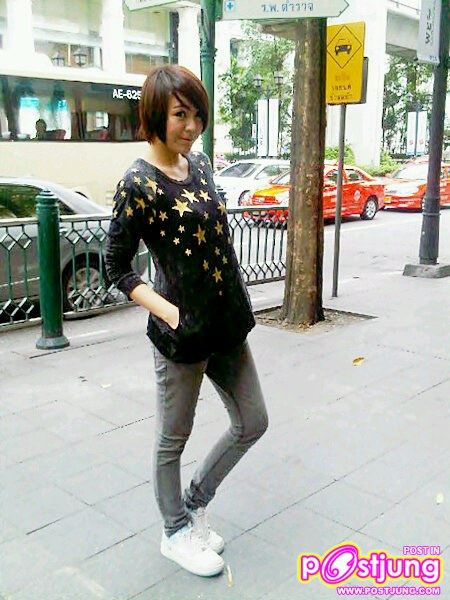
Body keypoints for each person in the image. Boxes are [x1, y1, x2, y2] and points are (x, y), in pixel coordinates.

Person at [105, 65, 268, 578]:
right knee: (172, 439)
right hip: (180, 337)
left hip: (226, 325)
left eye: (197, 115)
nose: (192, 126)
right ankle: (174, 531)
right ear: (156, 115)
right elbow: (116, 267)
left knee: (253, 421)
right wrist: (170, 311)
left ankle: (194, 503)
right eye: (180, 115)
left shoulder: (198, 165)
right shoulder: (137, 183)